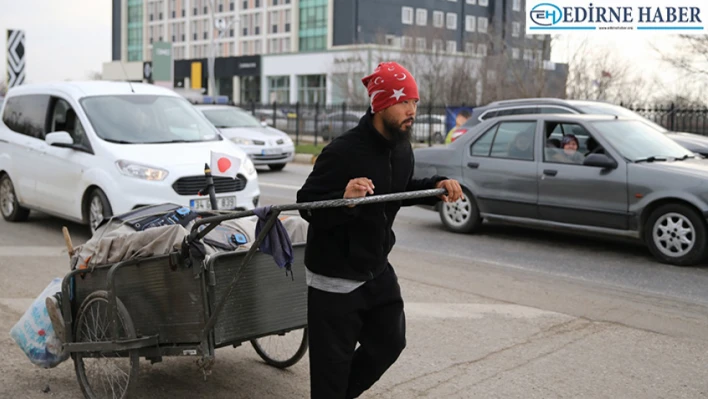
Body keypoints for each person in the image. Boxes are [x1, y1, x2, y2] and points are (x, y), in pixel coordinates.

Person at [296, 61, 463, 399]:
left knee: (390, 343)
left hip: (376, 269)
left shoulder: (401, 147)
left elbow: (399, 189)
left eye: (415, 102)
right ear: (382, 104)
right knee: (331, 372)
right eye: (405, 102)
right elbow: (307, 204)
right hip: (335, 279)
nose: (412, 110)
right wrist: (345, 200)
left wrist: (435, 186)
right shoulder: (342, 152)